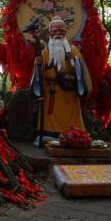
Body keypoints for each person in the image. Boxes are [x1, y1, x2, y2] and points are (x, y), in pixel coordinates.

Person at [30, 16, 92, 146]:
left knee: (71, 118)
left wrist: (73, 60)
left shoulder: (73, 49)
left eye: (61, 30)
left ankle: (75, 137)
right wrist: (38, 65)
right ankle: (48, 135)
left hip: (69, 92)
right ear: (49, 32)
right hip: (51, 91)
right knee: (49, 116)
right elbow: (39, 73)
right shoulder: (45, 51)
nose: (58, 33)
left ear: (66, 32)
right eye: (55, 30)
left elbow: (82, 70)